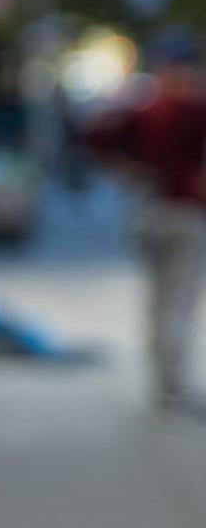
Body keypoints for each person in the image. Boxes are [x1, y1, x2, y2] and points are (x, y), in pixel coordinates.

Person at [85, 29, 206, 415]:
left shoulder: (144, 107)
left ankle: (164, 384)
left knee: (160, 302)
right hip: (179, 210)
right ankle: (170, 383)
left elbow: (96, 138)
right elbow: (97, 139)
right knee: (176, 301)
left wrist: (130, 169)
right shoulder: (187, 106)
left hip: (154, 207)